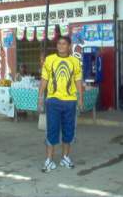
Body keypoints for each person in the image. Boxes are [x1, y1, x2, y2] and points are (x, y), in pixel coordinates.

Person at [38, 36, 83, 173]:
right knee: (51, 131)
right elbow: (44, 79)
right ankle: (49, 160)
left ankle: (65, 157)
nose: (61, 46)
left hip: (70, 102)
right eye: (59, 43)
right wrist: (40, 96)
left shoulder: (75, 61)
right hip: (53, 101)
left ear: (69, 46)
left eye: (64, 44)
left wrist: (80, 98)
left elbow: (78, 81)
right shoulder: (49, 60)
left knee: (68, 131)